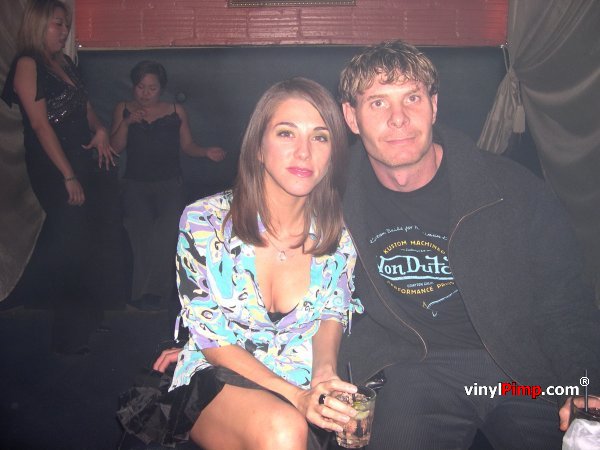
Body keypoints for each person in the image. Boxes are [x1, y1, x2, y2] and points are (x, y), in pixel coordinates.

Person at [335, 40, 600, 448]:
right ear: (351, 117)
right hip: (413, 367)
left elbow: (565, 303)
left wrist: (585, 384)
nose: (398, 118)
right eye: (378, 103)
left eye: (412, 98)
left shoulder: (513, 191)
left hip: (521, 371)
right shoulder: (332, 199)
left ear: (433, 106)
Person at [117, 77, 364, 449]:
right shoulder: (205, 222)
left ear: (333, 156)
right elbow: (212, 339)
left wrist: (324, 375)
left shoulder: (337, 234)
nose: (304, 152)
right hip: (219, 372)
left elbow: (331, 313)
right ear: (258, 148)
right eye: (286, 133)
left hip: (299, 372)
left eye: (320, 137)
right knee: (283, 429)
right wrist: (296, 397)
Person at [1, 0, 115, 354]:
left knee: (92, 241)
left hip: (82, 159)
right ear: (38, 25)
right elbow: (39, 125)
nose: (64, 31)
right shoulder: (27, 64)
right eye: (57, 24)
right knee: (71, 245)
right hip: (54, 166)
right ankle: (67, 337)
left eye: (65, 25)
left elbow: (86, 107)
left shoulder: (64, 62)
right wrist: (67, 175)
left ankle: (87, 318)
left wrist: (101, 130)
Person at [110, 60, 226, 312]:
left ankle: (158, 295)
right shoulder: (124, 108)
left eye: (151, 88)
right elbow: (114, 148)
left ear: (161, 89)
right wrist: (127, 123)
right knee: (140, 236)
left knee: (166, 236)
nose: (145, 93)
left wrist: (206, 152)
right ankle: (140, 295)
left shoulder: (175, 110)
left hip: (170, 183)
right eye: (140, 87)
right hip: (135, 183)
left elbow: (188, 146)